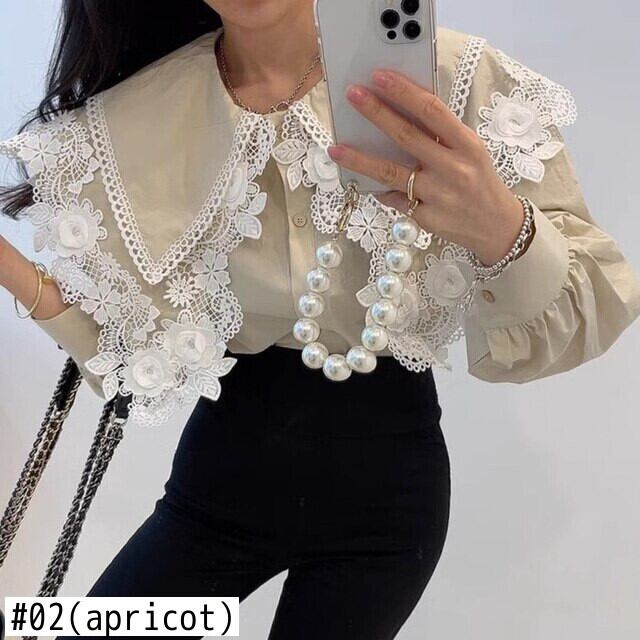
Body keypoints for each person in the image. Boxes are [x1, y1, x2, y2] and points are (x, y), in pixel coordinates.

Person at [1, 1, 639, 638]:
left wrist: (502, 225)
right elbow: (125, 351)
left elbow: (593, 298)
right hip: (215, 494)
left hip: (385, 508)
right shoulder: (140, 114)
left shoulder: (458, 80)